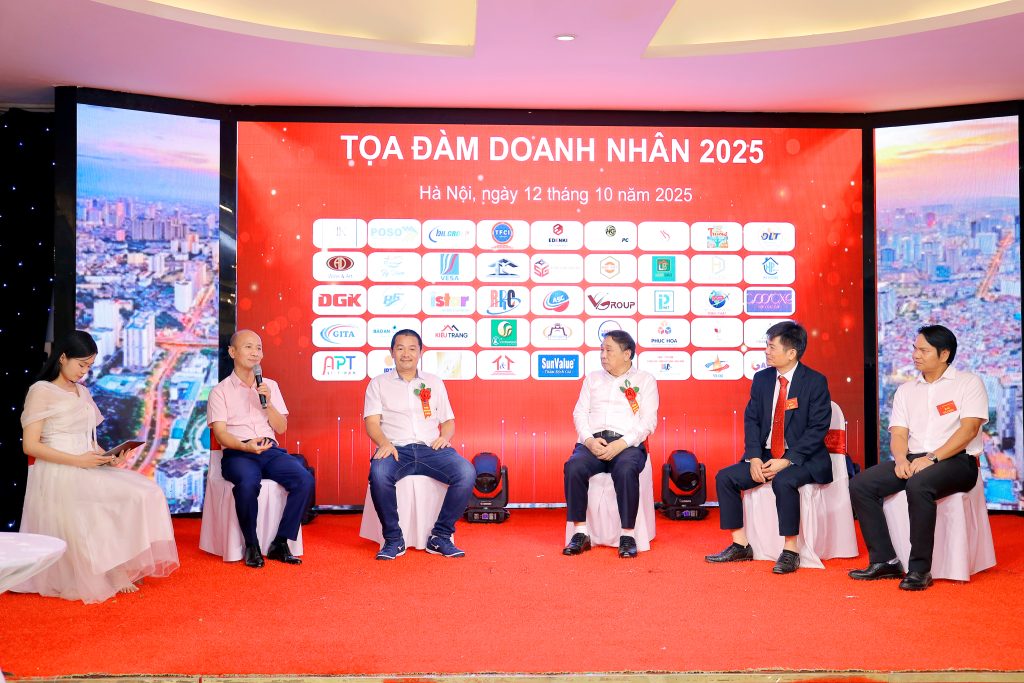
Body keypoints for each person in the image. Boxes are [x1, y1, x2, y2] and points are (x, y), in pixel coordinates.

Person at [16, 330, 179, 603]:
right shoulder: (41, 391)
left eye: (89, 366)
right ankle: (113, 568)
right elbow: (30, 446)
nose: (84, 372)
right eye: (81, 364)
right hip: (58, 469)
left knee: (147, 492)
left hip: (87, 463)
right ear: (62, 357)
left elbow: (89, 441)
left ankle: (119, 562)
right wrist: (79, 461)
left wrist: (109, 458)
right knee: (106, 500)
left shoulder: (82, 391)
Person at [849, 325, 987, 591]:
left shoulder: (968, 383)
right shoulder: (906, 390)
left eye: (924, 350)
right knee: (861, 484)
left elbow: (969, 430)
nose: (915, 355)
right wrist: (901, 459)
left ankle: (920, 569)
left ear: (944, 354)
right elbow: (899, 433)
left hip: (957, 460)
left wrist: (932, 458)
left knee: (918, 484)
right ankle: (884, 560)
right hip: (914, 459)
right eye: (915, 348)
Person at [705, 321, 832, 574]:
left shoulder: (814, 381)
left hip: (804, 458)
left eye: (772, 347)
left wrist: (788, 459)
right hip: (765, 455)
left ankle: (790, 550)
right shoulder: (762, 379)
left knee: (784, 480)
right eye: (767, 345)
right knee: (725, 478)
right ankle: (740, 545)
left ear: (791, 353)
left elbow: (818, 428)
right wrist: (753, 457)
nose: (766, 351)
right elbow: (751, 419)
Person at [364, 329, 475, 560]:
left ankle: (440, 536)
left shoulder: (434, 382)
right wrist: (384, 443)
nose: (406, 354)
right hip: (395, 449)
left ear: (420, 352)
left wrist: (445, 437)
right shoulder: (378, 383)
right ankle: (394, 539)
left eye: (412, 348)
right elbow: (372, 422)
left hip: (430, 449)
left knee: (466, 472)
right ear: (391, 352)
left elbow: (448, 421)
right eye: (400, 348)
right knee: (379, 474)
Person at [207, 329, 314, 568]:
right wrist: (245, 446)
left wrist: (268, 404)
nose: (255, 352)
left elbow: (281, 427)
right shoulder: (220, 391)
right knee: (247, 483)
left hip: (269, 449)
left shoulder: (270, 386)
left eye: (259, 348)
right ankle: (252, 545)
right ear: (232, 352)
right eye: (248, 347)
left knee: (304, 479)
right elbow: (221, 434)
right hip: (238, 452)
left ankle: (280, 542)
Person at [563, 330, 659, 559]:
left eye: (608, 350)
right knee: (573, 467)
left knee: (626, 469)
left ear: (627, 354)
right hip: (593, 442)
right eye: (601, 350)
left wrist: (622, 444)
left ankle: (627, 535)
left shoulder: (645, 380)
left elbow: (648, 422)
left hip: (628, 444)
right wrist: (588, 440)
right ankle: (580, 533)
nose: (603, 355)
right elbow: (579, 413)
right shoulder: (592, 379)